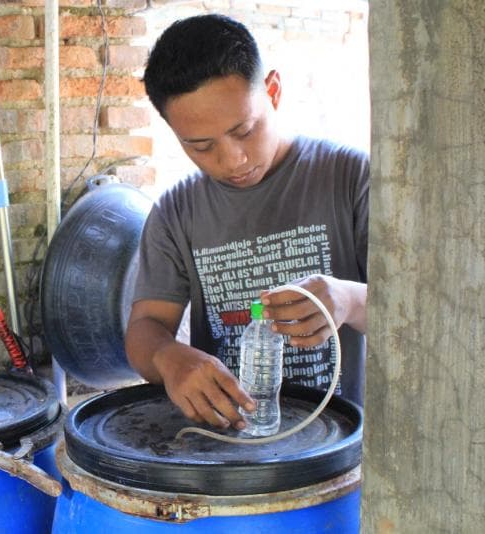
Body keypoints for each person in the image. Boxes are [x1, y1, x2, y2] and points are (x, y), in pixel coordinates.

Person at [125, 14, 369, 432]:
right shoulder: (176, 212)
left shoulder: (350, 178)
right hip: (231, 445)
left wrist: (348, 299)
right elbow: (146, 327)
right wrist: (168, 358)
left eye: (245, 130)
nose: (232, 160)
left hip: (339, 443)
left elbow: (420, 318)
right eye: (201, 146)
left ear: (272, 91)